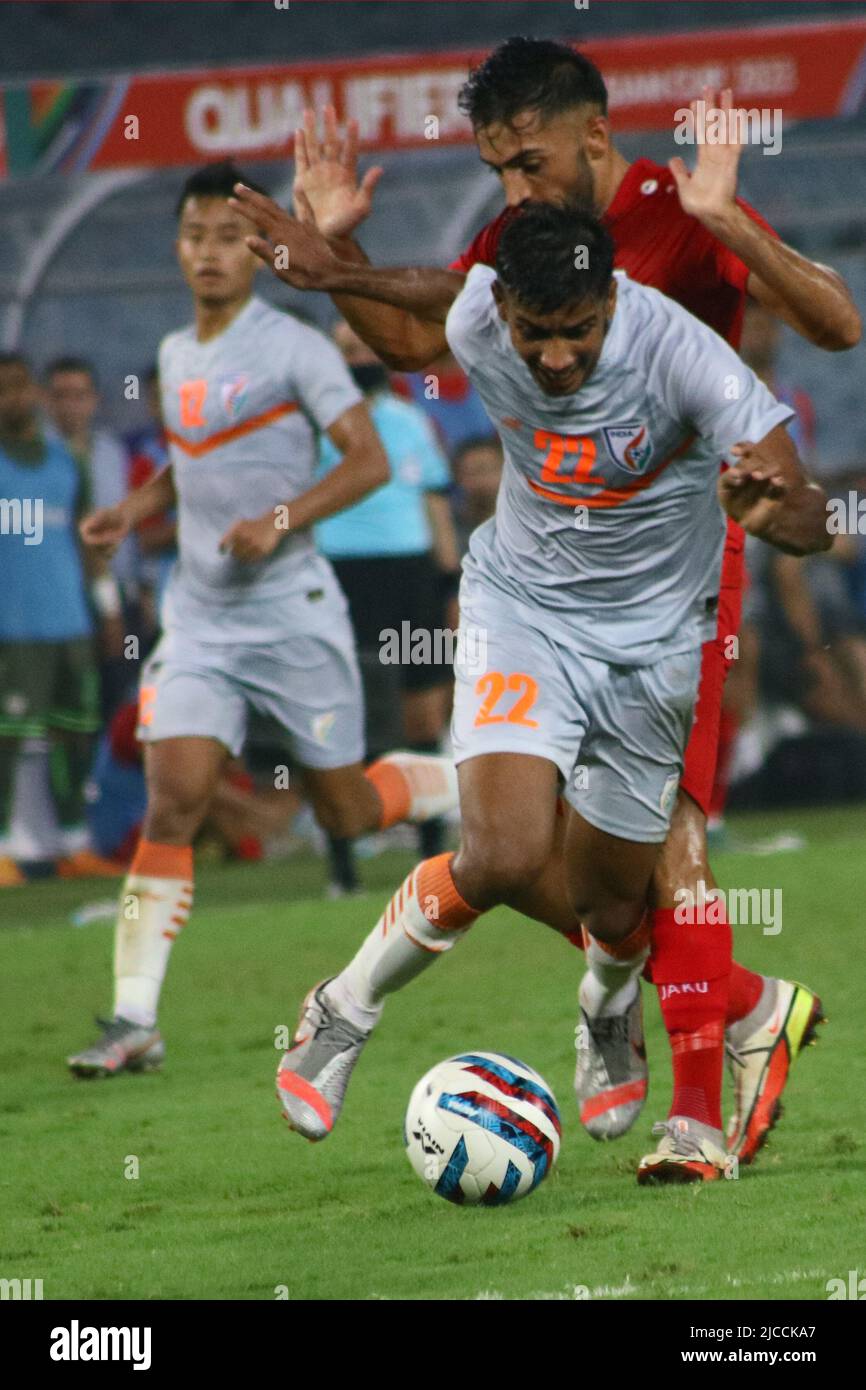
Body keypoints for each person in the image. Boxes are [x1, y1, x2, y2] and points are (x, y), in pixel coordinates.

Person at [230, 38, 860, 1177]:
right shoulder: (510, 262)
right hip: (534, 592)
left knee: (652, 858)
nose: (511, 191)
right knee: (516, 850)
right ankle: (694, 1086)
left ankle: (670, 1010)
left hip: (682, 565)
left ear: (590, 135)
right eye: (496, 168)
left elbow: (835, 328)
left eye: (525, 163)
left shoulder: (677, 236)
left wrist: (724, 222)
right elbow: (428, 327)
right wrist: (339, 258)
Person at [66, 160, 457, 1079]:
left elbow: (366, 462)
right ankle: (133, 1022)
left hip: (292, 614)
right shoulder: (174, 353)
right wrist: (136, 509)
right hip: (200, 620)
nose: (209, 252)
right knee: (175, 798)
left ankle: (468, 784)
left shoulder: (296, 349)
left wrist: (279, 521)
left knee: (351, 813)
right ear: (178, 247)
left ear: (256, 247)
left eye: (226, 236)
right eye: (194, 236)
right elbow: (190, 463)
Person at [316, 321, 461, 889]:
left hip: (411, 578)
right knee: (336, 715)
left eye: (362, 345)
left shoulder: (410, 421)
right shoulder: (316, 429)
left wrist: (449, 589)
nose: (356, 357)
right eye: (344, 349)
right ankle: (343, 863)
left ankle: (430, 854)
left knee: (423, 713)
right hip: (340, 578)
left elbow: (435, 510)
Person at [0, 353, 119, 885]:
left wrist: (108, 608)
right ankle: (2, 850)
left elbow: (89, 541)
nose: (13, 398)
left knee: (75, 733)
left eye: (19, 387)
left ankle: (75, 845)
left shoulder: (68, 461)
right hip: (11, 630)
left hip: (69, 623)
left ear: (34, 395)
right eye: (2, 390)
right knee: (7, 738)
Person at [45, 357, 132, 714]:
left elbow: (128, 527)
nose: (71, 405)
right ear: (45, 401)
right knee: (62, 706)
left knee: (117, 698)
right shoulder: (31, 459)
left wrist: (137, 588)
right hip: (56, 600)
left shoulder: (113, 455)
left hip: (116, 599)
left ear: (94, 400)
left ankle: (103, 771)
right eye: (60, 395)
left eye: (79, 395)